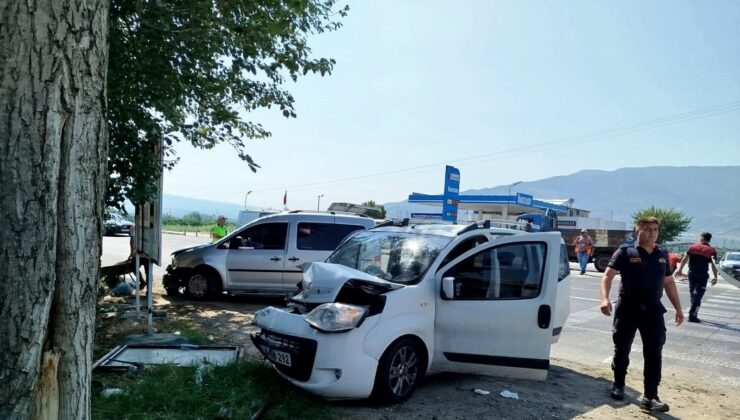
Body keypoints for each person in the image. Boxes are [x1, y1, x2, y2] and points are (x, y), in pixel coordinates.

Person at [599, 216, 683, 412]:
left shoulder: (662, 252)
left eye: (654, 229)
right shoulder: (625, 251)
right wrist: (604, 298)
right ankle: (619, 384)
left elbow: (669, 282)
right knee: (622, 348)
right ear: (637, 232)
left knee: (654, 353)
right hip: (627, 308)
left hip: (653, 311)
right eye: (647, 229)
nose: (651, 232)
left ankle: (650, 397)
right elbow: (607, 276)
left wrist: (678, 308)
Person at [675, 232, 718, 323]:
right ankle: (692, 315)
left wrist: (680, 270)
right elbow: (714, 265)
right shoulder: (711, 250)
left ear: (701, 238)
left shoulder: (692, 247)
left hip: (691, 273)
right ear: (709, 239)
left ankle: (693, 313)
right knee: (698, 295)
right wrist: (715, 277)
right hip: (702, 275)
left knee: (693, 294)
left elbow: (685, 259)